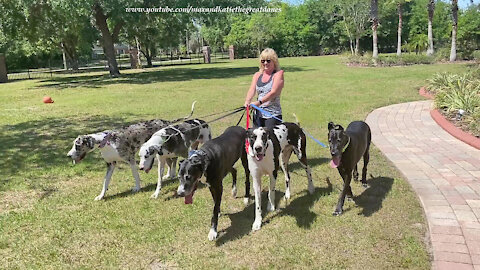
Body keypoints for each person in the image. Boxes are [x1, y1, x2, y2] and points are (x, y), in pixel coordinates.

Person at [244, 48, 284, 128]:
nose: (265, 63)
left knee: (269, 140)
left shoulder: (278, 74)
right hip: (258, 114)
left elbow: (273, 92)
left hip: (272, 115)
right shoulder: (257, 75)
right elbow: (252, 89)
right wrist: (247, 101)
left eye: (268, 61)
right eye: (263, 61)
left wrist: (259, 103)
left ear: (274, 61)